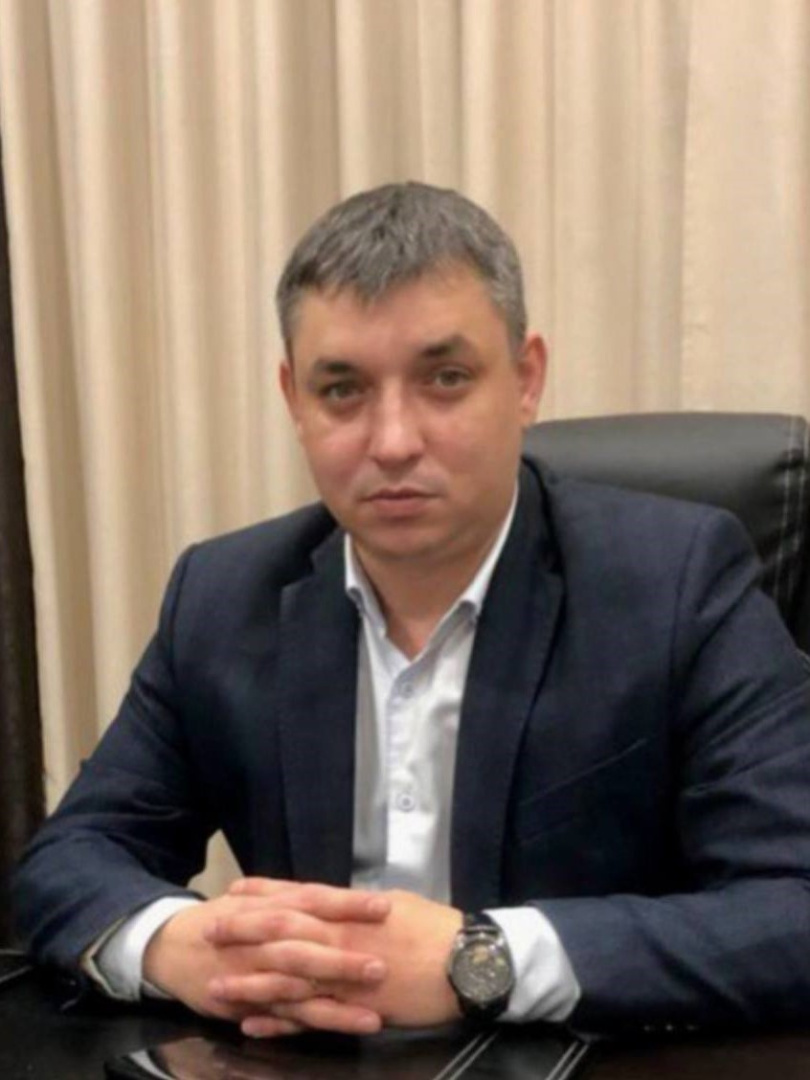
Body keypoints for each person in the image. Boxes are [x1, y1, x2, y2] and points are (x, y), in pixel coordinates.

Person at [14, 182, 810, 1041]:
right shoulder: (222, 595)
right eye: (342, 390)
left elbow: (791, 907)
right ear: (293, 400)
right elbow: (72, 856)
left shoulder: (678, 581)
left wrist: (482, 962)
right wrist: (184, 946)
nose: (393, 441)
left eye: (445, 379)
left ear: (526, 379)